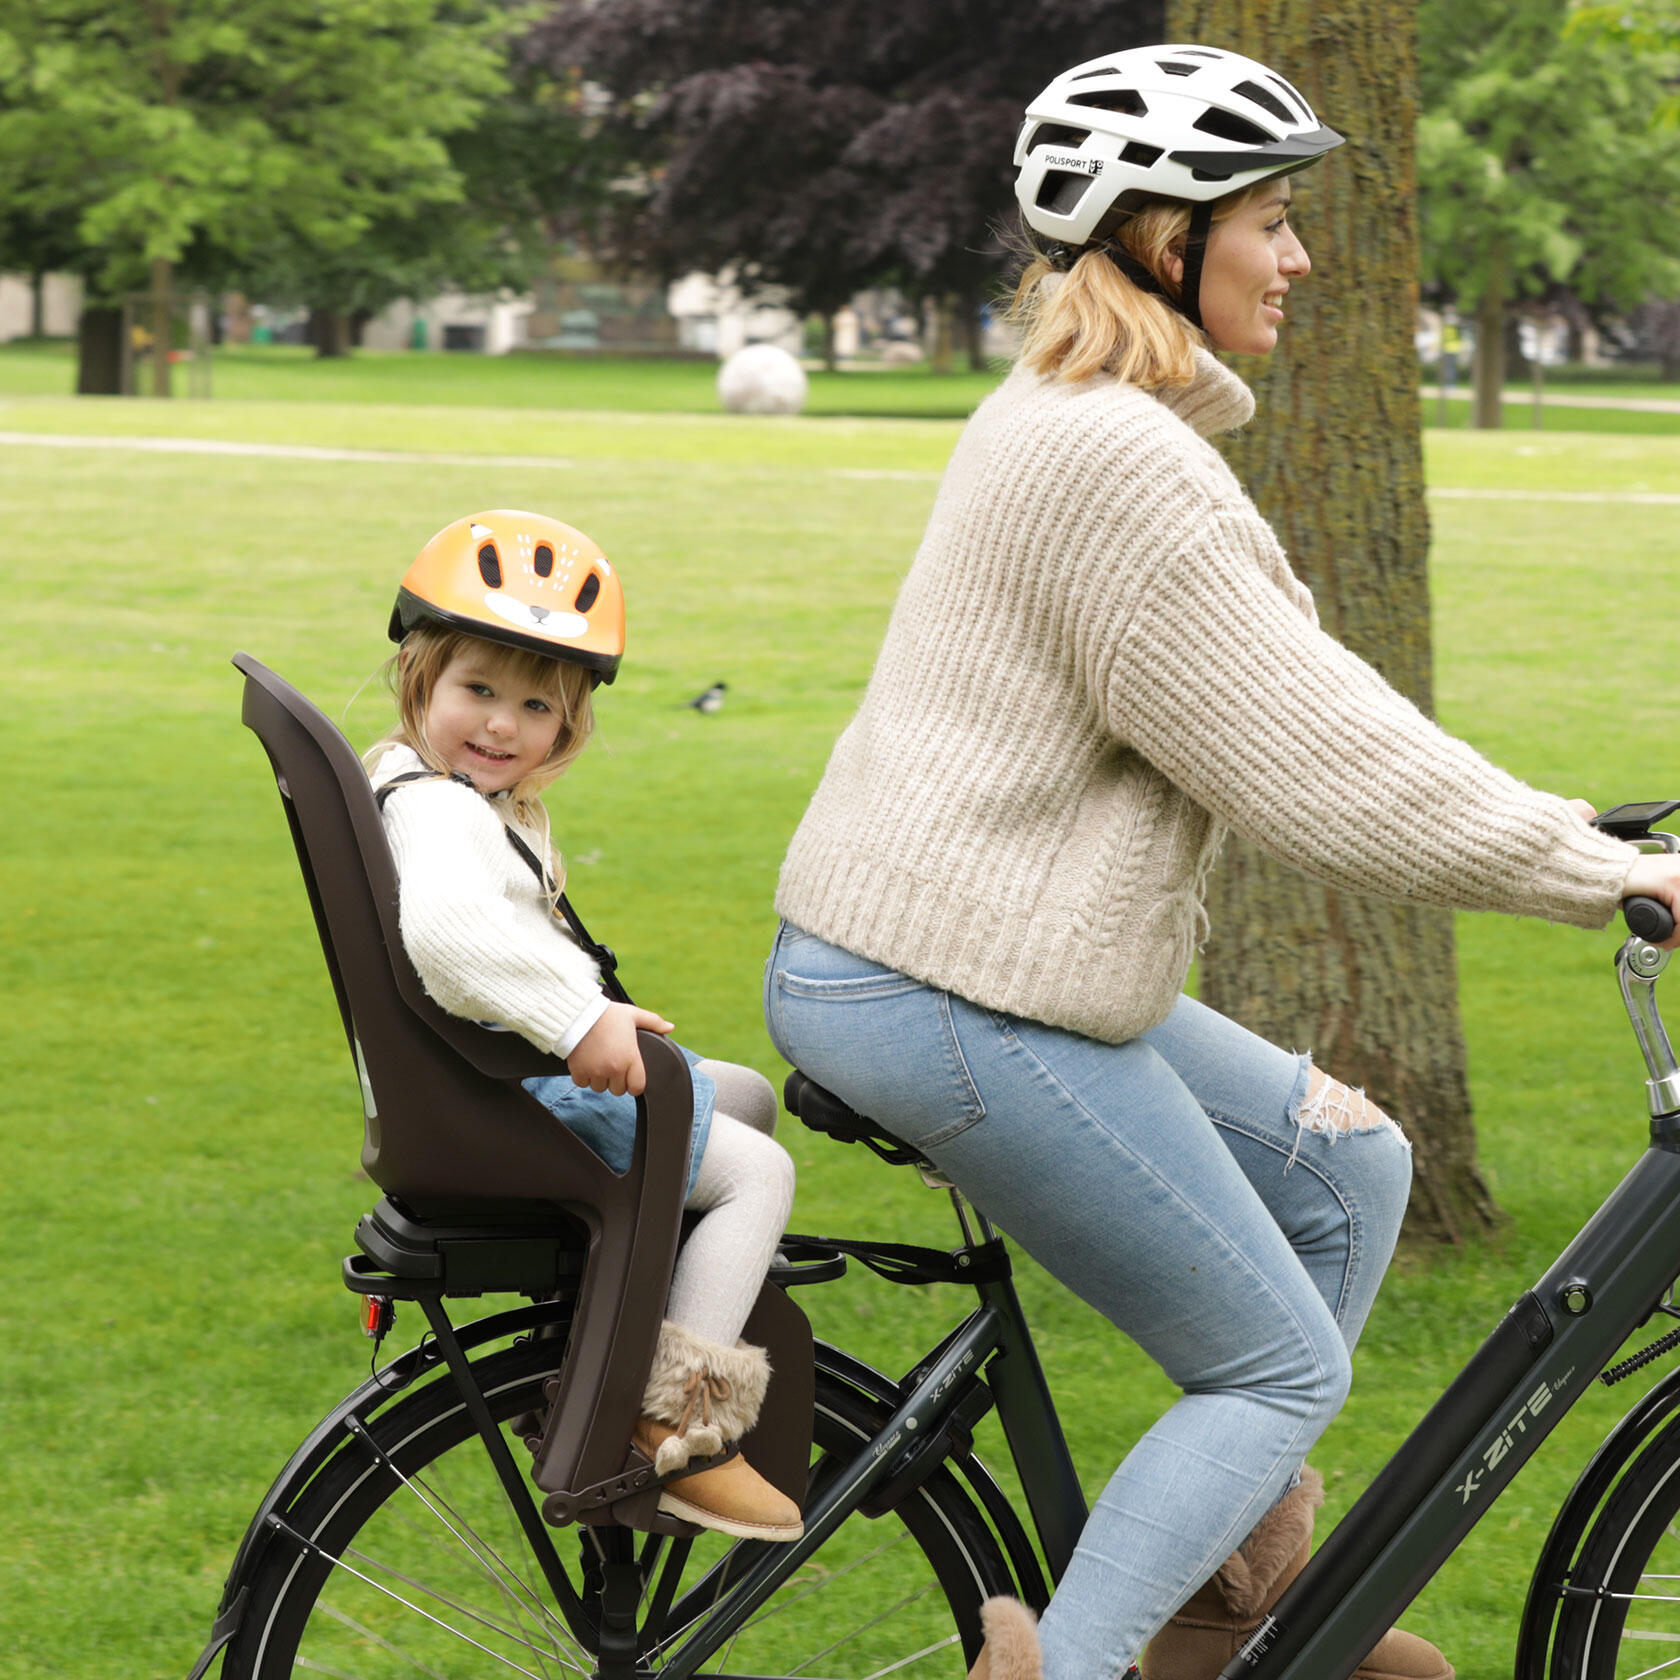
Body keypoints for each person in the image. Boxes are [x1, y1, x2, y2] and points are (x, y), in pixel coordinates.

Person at [761, 44, 1680, 1680]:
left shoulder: (1084, 420)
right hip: (947, 988)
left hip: (980, 958)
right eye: (1268, 219)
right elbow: (1321, 762)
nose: (1299, 256)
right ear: (1161, 237)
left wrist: (1582, 839)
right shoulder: (1118, 464)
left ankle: (1220, 1617)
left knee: (1352, 1168)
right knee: (1274, 1367)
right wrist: (1590, 870)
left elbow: (1304, 712)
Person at [367, 508, 802, 1543]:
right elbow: (449, 936)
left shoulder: (427, 787)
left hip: (489, 1084)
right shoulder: (441, 811)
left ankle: (606, 1348)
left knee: (744, 1098)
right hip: (516, 1096)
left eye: (536, 706)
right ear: (420, 676)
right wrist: (576, 1019)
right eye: (479, 690)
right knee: (758, 1174)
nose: (502, 726)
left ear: (568, 725)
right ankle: (675, 1425)